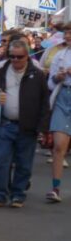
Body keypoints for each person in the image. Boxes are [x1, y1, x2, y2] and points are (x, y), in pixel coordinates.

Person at [0, 39, 49, 208]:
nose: (15, 60)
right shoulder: (2, 71)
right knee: (1, 159)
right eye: (12, 56)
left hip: (27, 125)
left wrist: (43, 128)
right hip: (5, 124)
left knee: (24, 162)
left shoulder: (37, 74)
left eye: (19, 57)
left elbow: (44, 102)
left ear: (27, 56)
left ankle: (18, 194)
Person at [47, 23, 71, 203]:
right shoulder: (60, 56)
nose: (68, 36)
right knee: (58, 146)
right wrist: (58, 77)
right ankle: (55, 188)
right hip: (63, 97)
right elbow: (50, 83)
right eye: (67, 33)